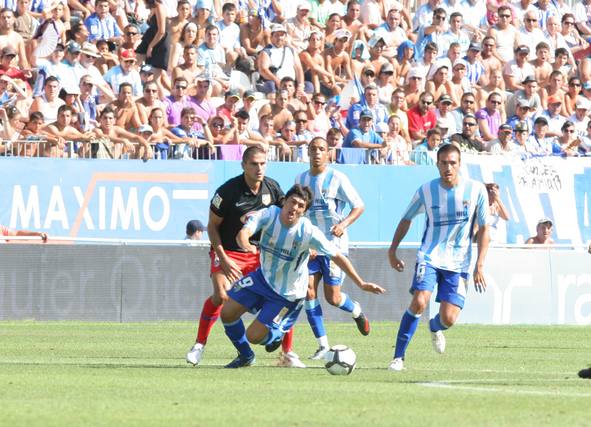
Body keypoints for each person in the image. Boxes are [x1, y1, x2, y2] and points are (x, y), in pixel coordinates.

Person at [219, 184, 385, 368]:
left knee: (254, 336)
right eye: (293, 202)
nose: (295, 208)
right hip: (262, 279)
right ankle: (245, 356)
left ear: (304, 211)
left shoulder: (308, 232)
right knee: (227, 313)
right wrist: (247, 245)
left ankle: (276, 334)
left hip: (287, 294)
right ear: (285, 202)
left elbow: (337, 256)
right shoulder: (268, 215)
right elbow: (243, 233)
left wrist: (361, 283)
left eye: (300, 206)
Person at [186, 146, 299, 368]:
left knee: (281, 296)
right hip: (228, 251)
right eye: (254, 163)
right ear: (243, 165)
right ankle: (201, 344)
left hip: (260, 254)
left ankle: (288, 353)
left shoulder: (272, 188)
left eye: (263, 163)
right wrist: (223, 258)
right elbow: (212, 226)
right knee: (221, 295)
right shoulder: (227, 192)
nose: (259, 168)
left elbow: (287, 218)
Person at [387, 143, 490, 371]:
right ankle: (398, 357)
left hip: (459, 261)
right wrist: (392, 250)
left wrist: (479, 265)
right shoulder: (426, 190)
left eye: (452, 163)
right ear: (437, 164)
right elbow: (406, 219)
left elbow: (484, 229)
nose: (448, 167)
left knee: (449, 318)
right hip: (430, 256)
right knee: (420, 301)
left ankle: (435, 327)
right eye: (444, 163)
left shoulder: (476, 191)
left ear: (460, 164)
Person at [295, 137, 372, 360]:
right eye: (313, 149)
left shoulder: (337, 178)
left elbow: (359, 206)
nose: (317, 153)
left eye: (321, 149)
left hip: (333, 246)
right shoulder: (300, 179)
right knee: (307, 290)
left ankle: (356, 311)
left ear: (328, 153)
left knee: (333, 298)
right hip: (310, 246)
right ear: (308, 153)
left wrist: (343, 224)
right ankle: (322, 345)